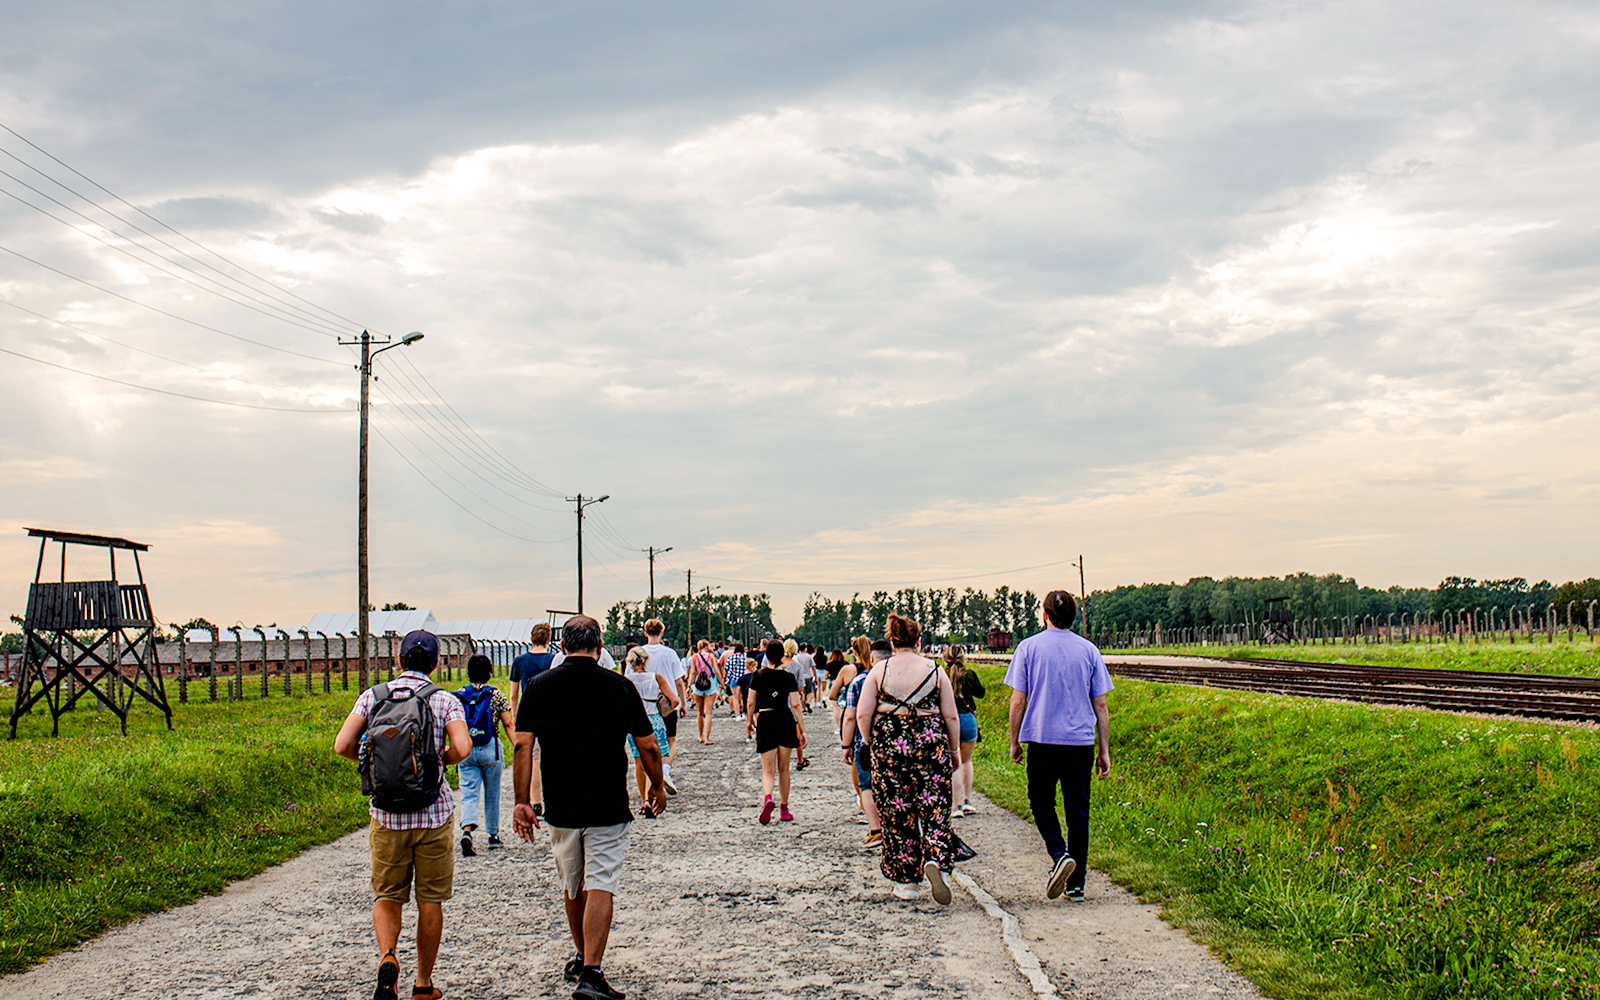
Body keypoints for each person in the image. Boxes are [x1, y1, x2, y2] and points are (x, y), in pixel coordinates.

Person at [512, 615, 666, 1000]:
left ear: (561, 648)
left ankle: (582, 957)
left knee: (573, 883)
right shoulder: (619, 686)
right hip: (607, 800)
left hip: (561, 802)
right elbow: (647, 745)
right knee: (601, 883)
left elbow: (522, 745)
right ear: (600, 648)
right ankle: (592, 974)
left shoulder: (538, 686)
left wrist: (521, 802)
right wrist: (657, 787)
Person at [333, 630, 471, 1000]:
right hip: (432, 814)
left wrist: (371, 766)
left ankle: (388, 958)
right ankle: (423, 983)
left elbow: (342, 745)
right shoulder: (443, 701)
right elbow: (462, 746)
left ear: (398, 660)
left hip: (386, 813)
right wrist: (440, 762)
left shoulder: (372, 697)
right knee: (430, 899)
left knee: (388, 896)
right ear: (436, 663)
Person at [1006, 590, 1113, 902]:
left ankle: (1058, 853)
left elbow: (1018, 701)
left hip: (1042, 739)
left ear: (1045, 614)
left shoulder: (1028, 648)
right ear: (1073, 616)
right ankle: (1076, 884)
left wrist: (1014, 740)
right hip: (1080, 742)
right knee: (1078, 811)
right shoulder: (1089, 651)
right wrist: (1103, 750)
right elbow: (1101, 705)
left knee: (1041, 803)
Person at [856, 614, 961, 904]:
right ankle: (936, 861)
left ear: (892, 642)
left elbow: (864, 714)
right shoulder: (935, 670)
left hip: (890, 744)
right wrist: (952, 751)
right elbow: (951, 715)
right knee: (935, 807)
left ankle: (907, 883)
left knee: (896, 811)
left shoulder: (880, 670)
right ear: (918, 641)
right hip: (930, 744)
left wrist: (871, 742)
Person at [455, 654, 515, 856]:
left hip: (465, 748)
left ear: (469, 672)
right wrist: (517, 746)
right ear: (490, 672)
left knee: (469, 791)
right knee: (492, 792)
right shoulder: (496, 695)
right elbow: (507, 723)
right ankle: (493, 834)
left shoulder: (458, 696)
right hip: (490, 747)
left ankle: (467, 830)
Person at [746, 638, 805, 824]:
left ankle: (768, 798)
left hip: (765, 718)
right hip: (785, 719)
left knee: (767, 770)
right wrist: (801, 729)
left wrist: (749, 721)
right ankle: (784, 809)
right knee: (784, 768)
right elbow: (795, 704)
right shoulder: (789, 677)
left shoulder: (758, 676)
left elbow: (750, 702)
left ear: (765, 655)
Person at [839, 637, 887, 848]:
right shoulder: (897, 678)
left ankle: (876, 830)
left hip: (864, 744)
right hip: (895, 744)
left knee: (866, 786)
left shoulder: (859, 682)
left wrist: (845, 745)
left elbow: (850, 717)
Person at [622, 645, 679, 814]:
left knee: (639, 762)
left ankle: (644, 801)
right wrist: (664, 713)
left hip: (635, 720)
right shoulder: (656, 677)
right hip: (655, 719)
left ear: (630, 662)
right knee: (654, 760)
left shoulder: (627, 680)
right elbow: (674, 700)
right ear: (646, 661)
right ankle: (650, 796)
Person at [509, 623, 558, 819]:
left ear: (532, 638)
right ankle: (552, 799)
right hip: (551, 712)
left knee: (534, 758)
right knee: (552, 757)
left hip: (529, 711)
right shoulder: (554, 660)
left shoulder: (520, 661)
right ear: (548, 639)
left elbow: (513, 694)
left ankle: (536, 803)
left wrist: (515, 716)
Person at [639, 619, 685, 794]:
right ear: (662, 633)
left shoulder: (639, 653)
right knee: (670, 740)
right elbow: (678, 681)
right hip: (667, 703)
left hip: (645, 704)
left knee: (650, 743)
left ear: (645, 633)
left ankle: (650, 783)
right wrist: (682, 702)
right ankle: (665, 770)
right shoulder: (670, 653)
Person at [945, 647, 986, 818]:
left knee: (953, 763)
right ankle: (968, 800)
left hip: (949, 721)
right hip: (968, 720)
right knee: (966, 761)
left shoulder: (942, 675)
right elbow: (981, 693)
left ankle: (956, 806)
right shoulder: (969, 675)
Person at [686, 640, 725, 743]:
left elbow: (693, 672)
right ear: (707, 646)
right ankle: (707, 738)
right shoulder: (711, 656)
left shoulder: (694, 657)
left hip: (698, 684)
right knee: (708, 713)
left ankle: (700, 736)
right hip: (709, 683)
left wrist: (689, 686)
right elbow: (716, 671)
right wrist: (722, 684)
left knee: (699, 713)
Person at [722, 643, 748, 720]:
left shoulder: (730, 658)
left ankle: (737, 715)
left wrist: (724, 678)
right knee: (743, 697)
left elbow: (725, 670)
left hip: (733, 679)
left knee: (735, 698)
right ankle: (744, 713)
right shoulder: (745, 659)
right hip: (743, 680)